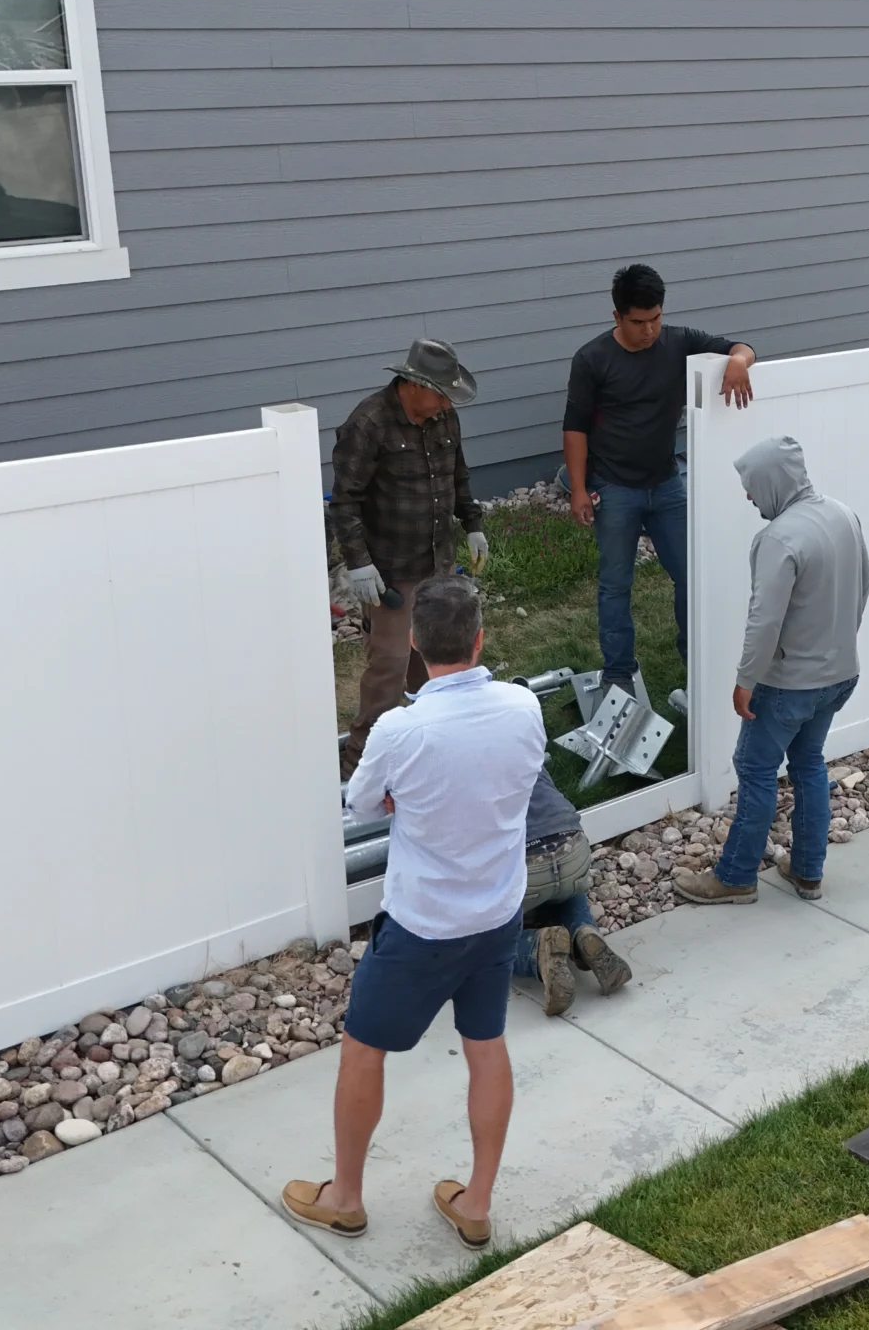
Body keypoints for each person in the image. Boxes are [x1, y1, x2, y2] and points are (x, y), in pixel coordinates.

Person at [284, 577, 539, 1251]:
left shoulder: (402, 729)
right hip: (498, 914)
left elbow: (363, 805)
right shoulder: (522, 707)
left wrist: (406, 797)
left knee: (364, 1049)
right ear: (480, 638)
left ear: (418, 647)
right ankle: (477, 1205)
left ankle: (345, 1198)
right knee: (486, 1048)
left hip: (422, 924)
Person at [676, 437, 869, 906]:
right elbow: (864, 583)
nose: (748, 496)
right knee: (808, 764)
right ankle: (807, 872)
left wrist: (746, 680)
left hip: (789, 685)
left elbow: (764, 620)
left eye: (751, 486)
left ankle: (736, 877)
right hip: (840, 674)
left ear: (771, 481)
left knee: (756, 769)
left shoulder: (779, 538)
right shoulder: (844, 514)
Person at [562, 263, 758, 690]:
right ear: (617, 317)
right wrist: (579, 489)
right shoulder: (592, 359)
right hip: (614, 488)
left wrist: (739, 362)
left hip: (667, 484)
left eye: (655, 319)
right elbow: (574, 427)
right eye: (638, 322)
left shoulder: (680, 342)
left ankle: (696, 663)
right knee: (616, 584)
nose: (648, 331)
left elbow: (740, 347)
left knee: (690, 574)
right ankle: (619, 675)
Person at [329, 337, 490, 772]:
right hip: (390, 571)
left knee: (436, 664)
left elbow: (459, 477)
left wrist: (473, 525)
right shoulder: (368, 424)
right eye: (439, 393)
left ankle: (428, 748)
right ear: (413, 383)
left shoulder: (443, 418)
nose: (444, 404)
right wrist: (358, 561)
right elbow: (345, 503)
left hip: (437, 564)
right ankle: (360, 764)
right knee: (390, 666)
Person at [509, 766, 633, 1016]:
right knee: (563, 889)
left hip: (524, 867)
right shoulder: (516, 732)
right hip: (572, 849)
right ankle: (582, 934)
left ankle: (535, 952)